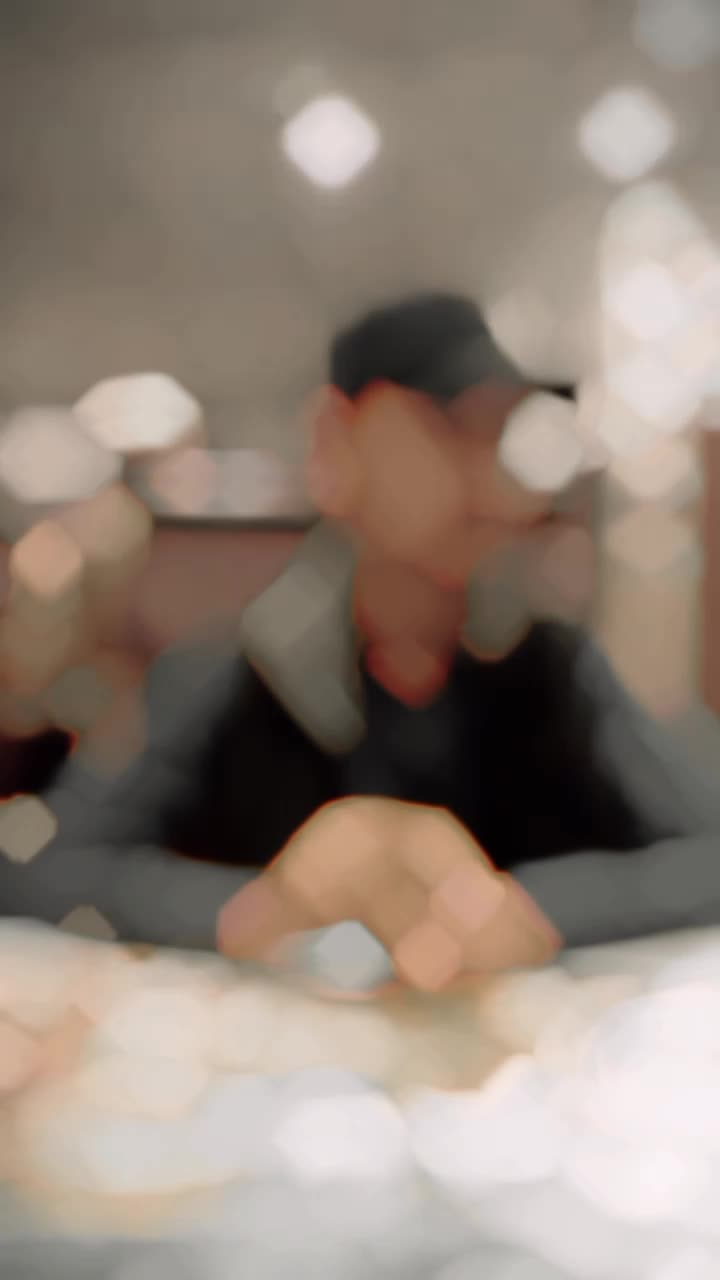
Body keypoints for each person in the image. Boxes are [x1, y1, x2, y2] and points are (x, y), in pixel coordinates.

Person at [4, 293, 720, 991]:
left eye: (499, 431)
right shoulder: (237, 672)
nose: (488, 470)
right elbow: (44, 874)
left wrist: (528, 911)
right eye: (450, 427)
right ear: (336, 439)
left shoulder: (552, 670)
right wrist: (262, 910)